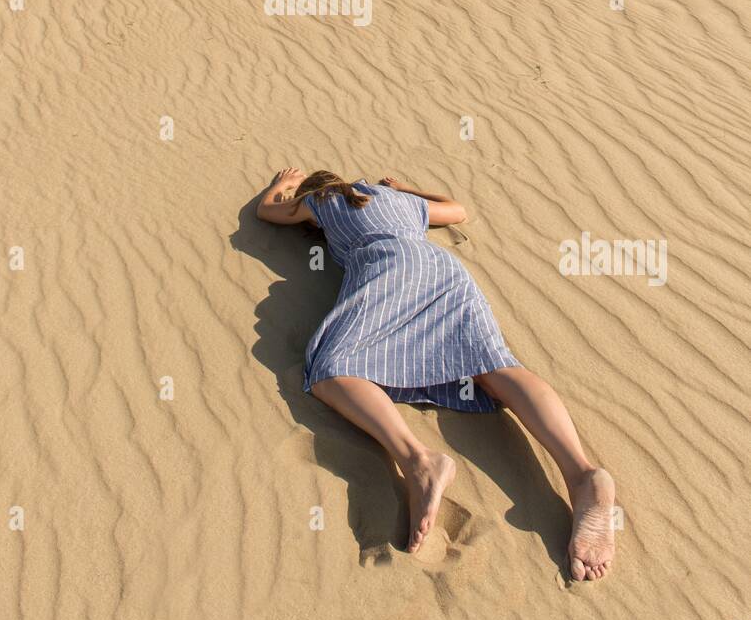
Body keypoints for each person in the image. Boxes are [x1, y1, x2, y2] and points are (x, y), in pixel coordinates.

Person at [258, 168, 615, 580]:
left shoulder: (322, 201)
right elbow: (457, 211)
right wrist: (404, 187)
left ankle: (418, 461)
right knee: (494, 365)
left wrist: (283, 185)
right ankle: (582, 474)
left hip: (386, 268)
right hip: (443, 271)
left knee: (330, 368)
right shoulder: (400, 202)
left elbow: (269, 211)